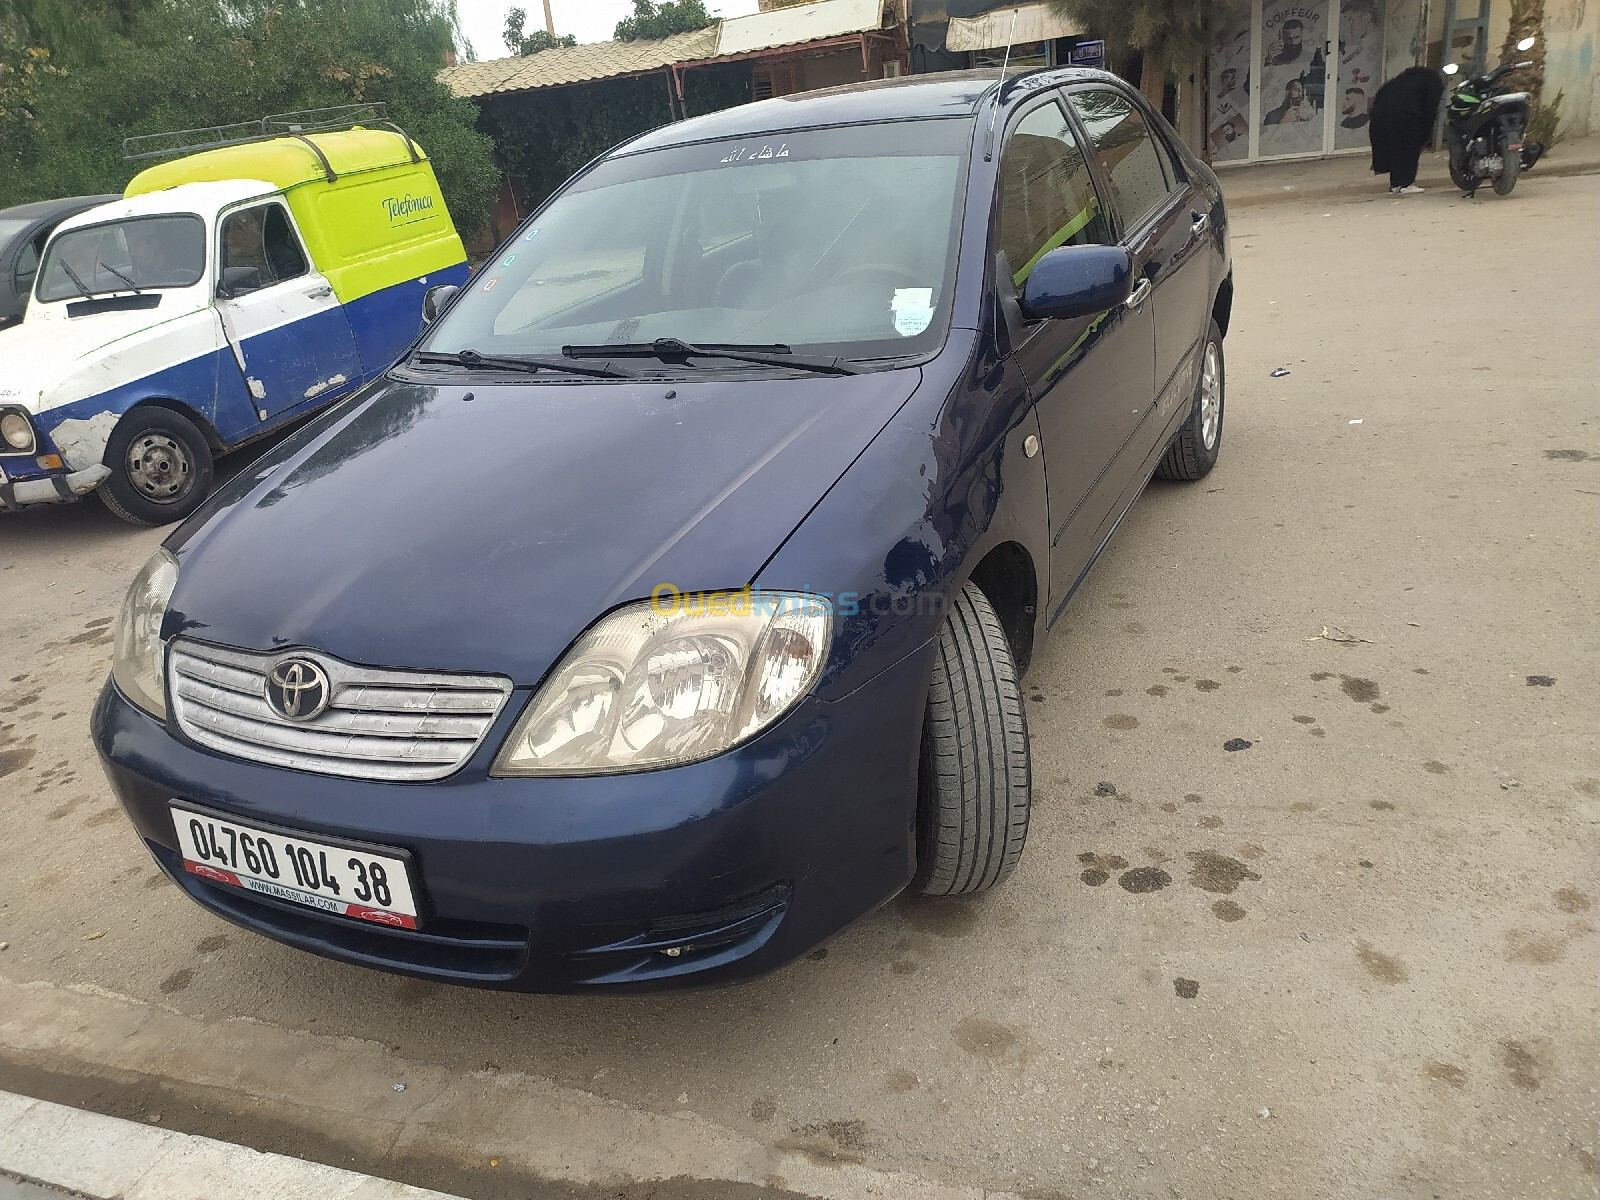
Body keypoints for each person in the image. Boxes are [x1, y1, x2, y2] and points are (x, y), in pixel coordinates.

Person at [1369, 66, 1445, 194]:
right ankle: (1406, 183)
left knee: (1395, 148)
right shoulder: (1433, 82)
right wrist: (1425, 135)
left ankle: (1395, 184)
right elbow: (1430, 110)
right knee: (1410, 148)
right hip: (1406, 115)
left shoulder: (1398, 81)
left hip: (1381, 117)